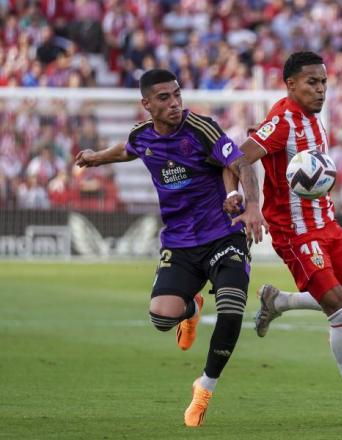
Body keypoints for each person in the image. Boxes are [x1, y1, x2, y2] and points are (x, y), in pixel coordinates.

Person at [75, 69, 268, 427]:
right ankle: (191, 307)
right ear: (146, 104)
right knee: (161, 317)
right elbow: (127, 149)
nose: (175, 103)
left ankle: (205, 387)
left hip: (223, 234)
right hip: (179, 243)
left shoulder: (201, 128)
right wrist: (97, 157)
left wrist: (250, 204)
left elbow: (239, 161)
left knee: (230, 310)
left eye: (177, 94)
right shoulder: (143, 136)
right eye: (164, 98)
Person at [226, 51, 342, 426]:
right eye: (312, 82)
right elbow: (239, 158)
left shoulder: (315, 121)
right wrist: (251, 205)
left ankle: (278, 301)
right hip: (296, 234)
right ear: (291, 84)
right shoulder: (281, 121)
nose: (320, 89)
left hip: (328, 227)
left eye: (324, 82)